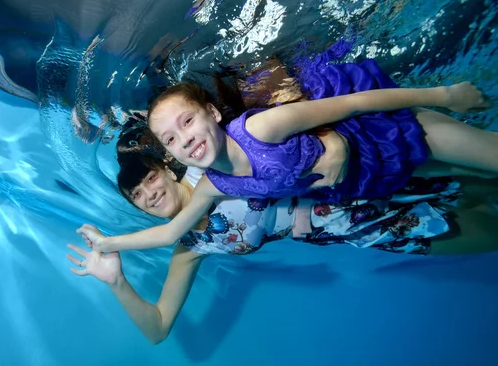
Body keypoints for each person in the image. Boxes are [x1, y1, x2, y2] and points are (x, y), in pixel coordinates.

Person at [66, 146, 498, 344]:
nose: (149, 194)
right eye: (137, 196)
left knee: (482, 180)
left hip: (355, 179)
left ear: (164, 165)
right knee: (484, 231)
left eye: (149, 179)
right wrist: (116, 282)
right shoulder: (192, 247)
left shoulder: (208, 165)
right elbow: (158, 329)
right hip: (358, 227)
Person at [82, 58, 498, 253]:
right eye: (170, 140)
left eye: (187, 123)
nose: (184, 140)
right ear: (170, 156)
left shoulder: (258, 129)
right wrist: (107, 244)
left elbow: (354, 103)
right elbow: (169, 234)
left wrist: (446, 96)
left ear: (212, 112)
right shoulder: (214, 185)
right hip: (376, 178)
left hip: (388, 134)